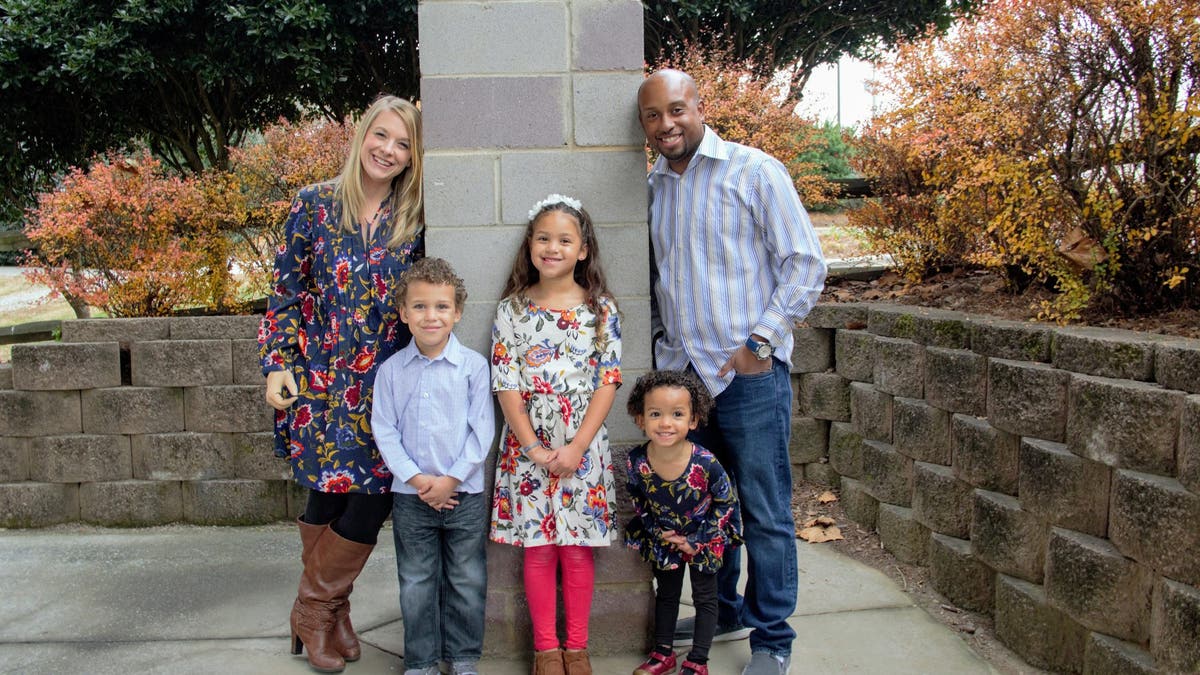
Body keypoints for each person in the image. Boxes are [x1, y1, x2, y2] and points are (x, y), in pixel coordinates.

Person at [637, 69, 828, 675]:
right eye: (652, 116)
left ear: (699, 107)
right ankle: (729, 608)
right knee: (712, 509)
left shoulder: (755, 171)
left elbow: (805, 263)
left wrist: (761, 342)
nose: (666, 124)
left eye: (676, 110)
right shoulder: (653, 187)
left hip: (747, 375)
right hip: (686, 381)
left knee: (765, 509)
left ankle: (772, 639)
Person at [258, 94, 424, 673]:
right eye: (381, 135)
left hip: (385, 383)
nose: (389, 150)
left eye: (403, 143)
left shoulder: (417, 216)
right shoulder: (314, 204)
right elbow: (284, 294)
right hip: (320, 379)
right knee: (326, 493)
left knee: (372, 497)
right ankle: (328, 611)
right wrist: (277, 362)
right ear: (362, 136)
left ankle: (314, 607)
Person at [489, 194, 622, 675]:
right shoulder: (511, 311)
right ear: (529, 247)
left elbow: (608, 381)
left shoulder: (601, 310)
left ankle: (577, 648)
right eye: (543, 238)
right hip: (528, 446)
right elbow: (506, 382)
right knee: (540, 549)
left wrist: (577, 447)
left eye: (564, 239)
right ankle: (546, 650)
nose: (552, 247)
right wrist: (533, 447)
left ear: (583, 249)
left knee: (576, 549)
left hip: (583, 444)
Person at [371, 257, 494, 675]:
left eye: (441, 306)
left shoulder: (474, 369)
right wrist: (420, 480)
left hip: (465, 495)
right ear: (404, 313)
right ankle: (421, 662)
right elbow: (384, 430)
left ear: (457, 312)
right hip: (412, 498)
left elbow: (482, 433)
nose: (431, 316)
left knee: (467, 580)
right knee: (417, 583)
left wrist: (451, 480)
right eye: (420, 306)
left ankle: (462, 659)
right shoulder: (390, 372)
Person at [624, 370, 743, 675]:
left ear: (693, 420)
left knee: (705, 597)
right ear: (641, 419)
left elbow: (726, 503)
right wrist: (658, 531)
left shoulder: (705, 462)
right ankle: (663, 653)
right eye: (655, 414)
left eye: (677, 414)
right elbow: (638, 499)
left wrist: (697, 539)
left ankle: (698, 660)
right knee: (666, 593)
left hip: (704, 537)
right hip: (665, 538)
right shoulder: (637, 461)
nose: (666, 423)